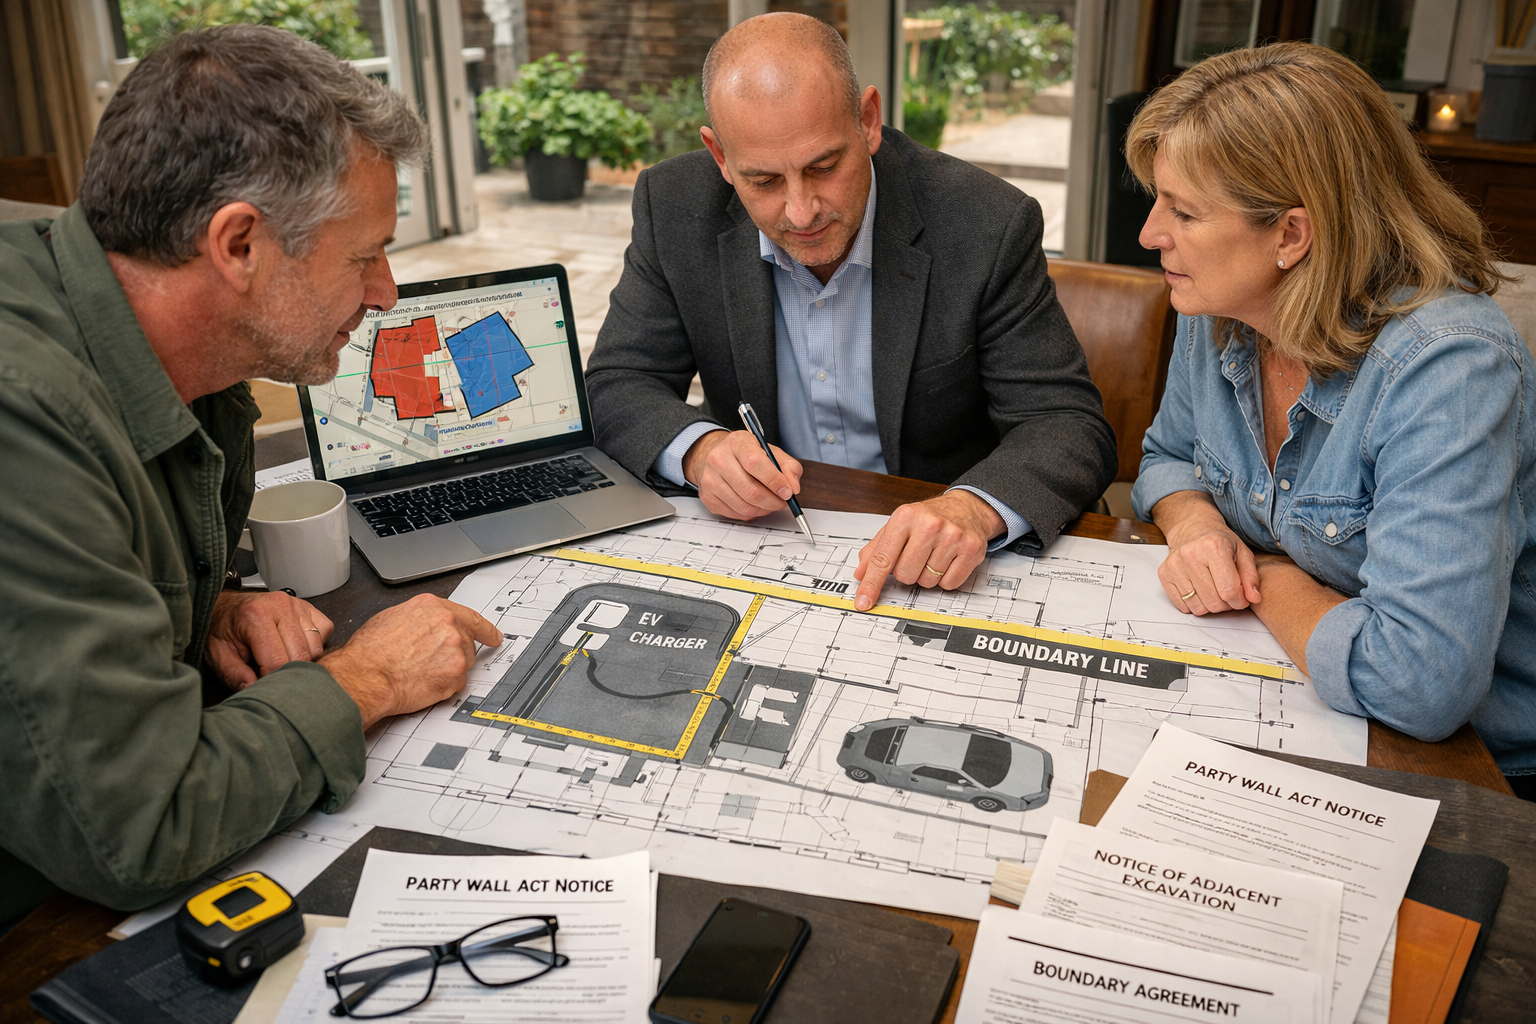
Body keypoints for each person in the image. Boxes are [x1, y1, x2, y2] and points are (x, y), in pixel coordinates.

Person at [0, 25, 504, 923]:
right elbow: (140, 827)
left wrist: (204, 608)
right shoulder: (24, 413)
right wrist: (368, 680)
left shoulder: (189, 357)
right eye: (364, 256)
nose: (387, 292)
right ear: (238, 245)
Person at [585, 13, 1115, 613]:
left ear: (867, 121)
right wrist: (700, 451)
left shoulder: (986, 223)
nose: (802, 210)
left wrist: (971, 508)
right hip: (769, 543)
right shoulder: (674, 205)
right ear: (720, 157)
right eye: (762, 180)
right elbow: (618, 382)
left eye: (823, 167)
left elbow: (1066, 424)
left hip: (937, 559)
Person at [1127, 42, 1536, 793]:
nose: (1152, 234)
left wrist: (1271, 582)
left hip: (1470, 771)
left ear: (1290, 234)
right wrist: (1195, 525)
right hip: (1295, 700)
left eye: (1183, 211)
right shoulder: (1220, 305)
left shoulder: (1449, 366)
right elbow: (1165, 459)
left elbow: (1420, 684)